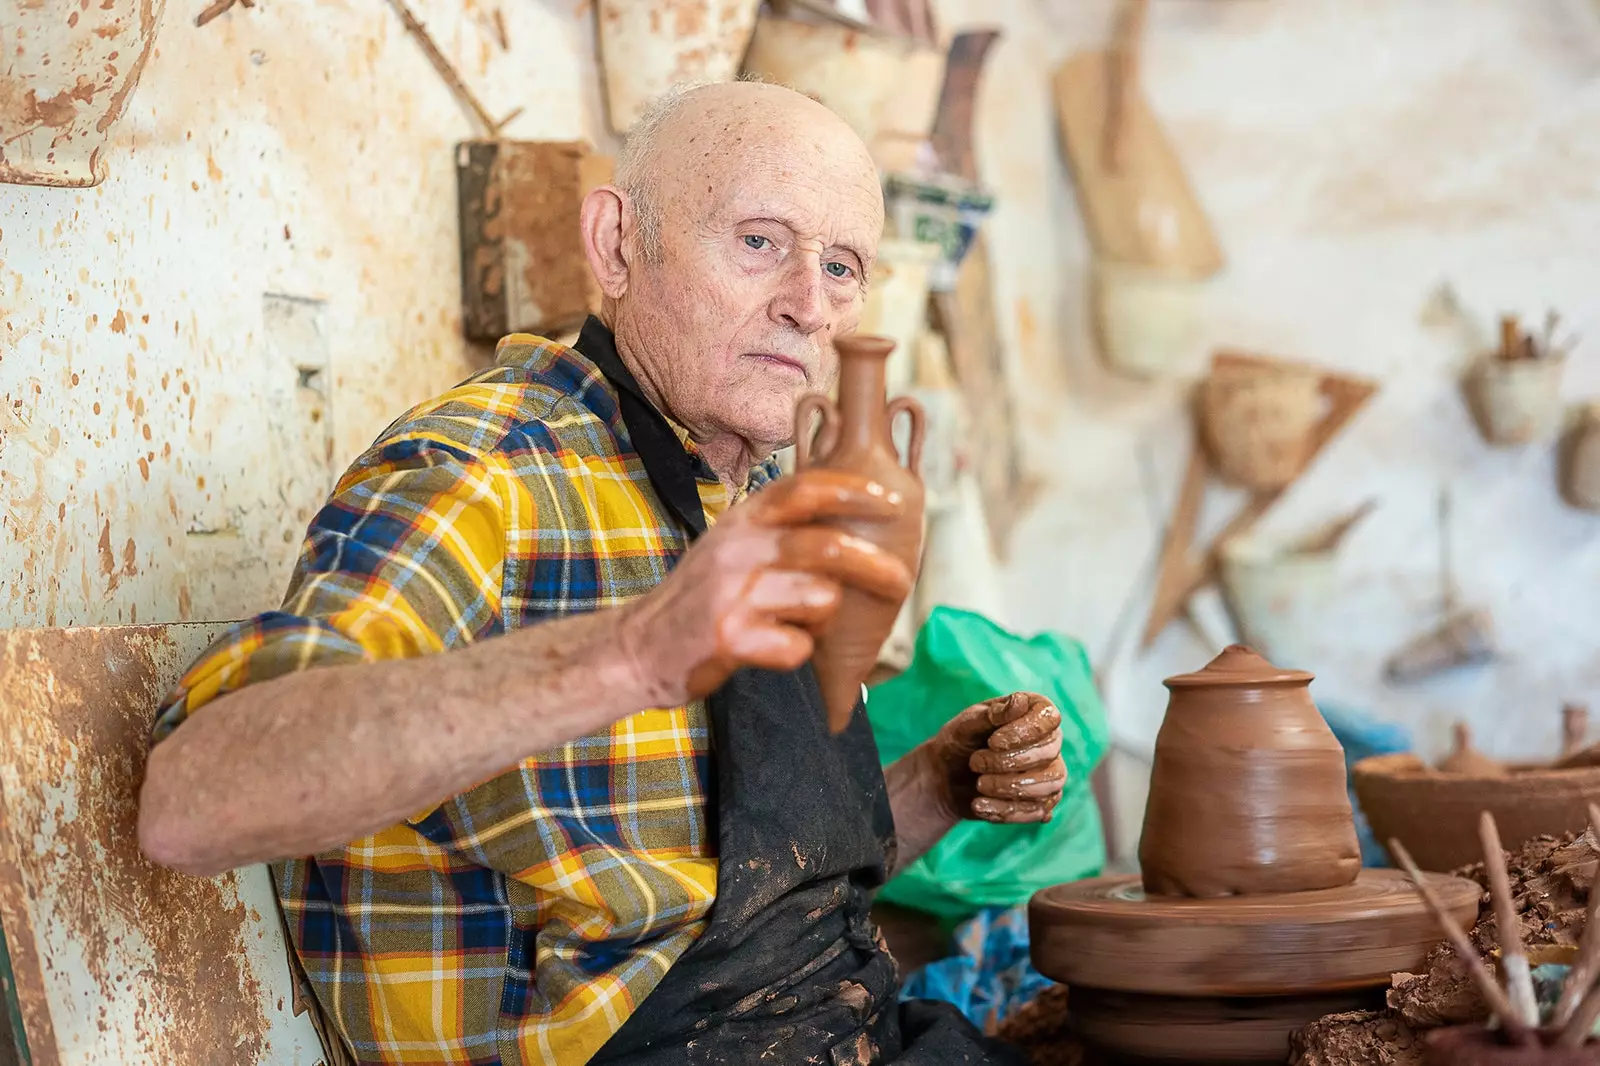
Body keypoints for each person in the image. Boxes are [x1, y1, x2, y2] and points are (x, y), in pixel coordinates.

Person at [138, 81, 1065, 1066]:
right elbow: (190, 805)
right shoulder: (487, 470)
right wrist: (632, 653)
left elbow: (755, 916)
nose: (808, 304)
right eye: (759, 242)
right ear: (617, 243)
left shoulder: (764, 492)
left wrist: (932, 783)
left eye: (841, 267)